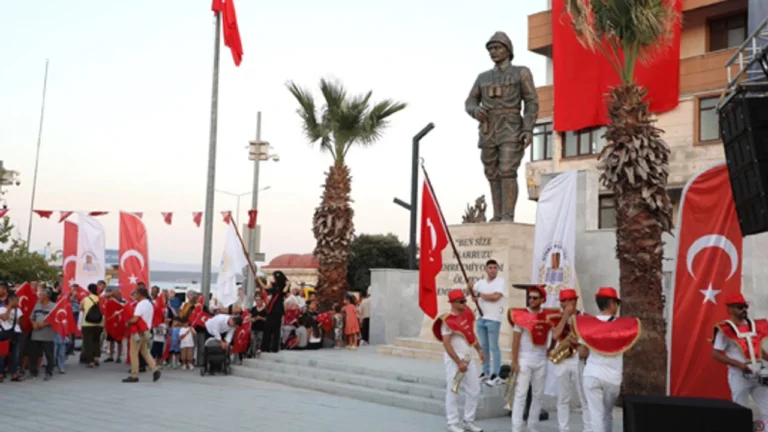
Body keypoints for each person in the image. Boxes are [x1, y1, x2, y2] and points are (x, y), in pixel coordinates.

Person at [464, 31, 538, 222]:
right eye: (490, 49)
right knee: (491, 172)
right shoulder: (483, 77)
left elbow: (531, 101)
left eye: (497, 48)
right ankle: (497, 215)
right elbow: (470, 101)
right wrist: (475, 110)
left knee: (507, 169)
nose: (493, 52)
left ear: (508, 50)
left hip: (511, 126)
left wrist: (528, 129)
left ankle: (507, 216)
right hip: (488, 128)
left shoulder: (521, 72)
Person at [574, 287, 640, 432]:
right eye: (617, 303)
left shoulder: (587, 325)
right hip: (612, 377)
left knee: (596, 415)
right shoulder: (623, 327)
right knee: (607, 414)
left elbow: (582, 353)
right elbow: (628, 352)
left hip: (592, 374)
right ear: (612, 303)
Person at [712, 293, 768, 428]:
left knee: (767, 408)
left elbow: (757, 349)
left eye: (745, 306)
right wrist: (740, 365)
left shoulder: (753, 326)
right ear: (730, 309)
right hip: (739, 375)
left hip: (758, 374)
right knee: (740, 409)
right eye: (739, 307)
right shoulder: (725, 329)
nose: (744, 310)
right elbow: (716, 354)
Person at [433, 289, 484, 432]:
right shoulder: (447, 321)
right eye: (461, 301)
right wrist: (458, 362)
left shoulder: (465, 316)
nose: (464, 304)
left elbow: (471, 335)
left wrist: (479, 350)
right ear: (453, 303)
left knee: (474, 389)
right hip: (454, 360)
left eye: (465, 301)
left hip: (468, 358)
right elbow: (447, 344)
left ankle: (468, 420)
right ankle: (452, 422)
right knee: (453, 390)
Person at [508, 285, 557, 432]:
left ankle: (532, 426)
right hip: (524, 358)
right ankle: (516, 428)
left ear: (542, 299)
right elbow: (515, 341)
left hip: (541, 359)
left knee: (538, 395)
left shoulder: (548, 316)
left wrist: (551, 348)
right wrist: (514, 361)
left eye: (535, 298)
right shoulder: (520, 315)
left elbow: (555, 333)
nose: (531, 300)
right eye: (530, 297)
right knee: (520, 394)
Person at [548, 288, 591, 432]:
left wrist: (578, 342)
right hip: (564, 359)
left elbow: (589, 339)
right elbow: (555, 335)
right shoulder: (559, 317)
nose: (562, 304)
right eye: (561, 301)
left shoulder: (585, 317)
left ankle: (588, 429)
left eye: (564, 301)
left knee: (584, 397)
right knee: (563, 398)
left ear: (573, 301)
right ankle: (563, 429)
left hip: (578, 358)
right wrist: (565, 316)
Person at [469, 259, 505, 386]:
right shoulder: (481, 283)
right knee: (484, 347)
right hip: (481, 318)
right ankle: (485, 371)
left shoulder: (500, 282)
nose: (493, 270)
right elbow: (470, 292)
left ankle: (496, 373)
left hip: (493, 319)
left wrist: (479, 295)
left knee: (494, 347)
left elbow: (495, 297)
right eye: (490, 268)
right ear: (486, 270)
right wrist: (469, 286)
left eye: (495, 268)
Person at [123, 288, 161, 383]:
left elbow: (135, 319)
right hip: (145, 331)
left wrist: (128, 322)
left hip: (138, 332)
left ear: (140, 294)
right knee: (145, 352)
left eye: (135, 294)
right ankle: (155, 369)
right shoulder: (149, 304)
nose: (134, 296)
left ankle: (134, 375)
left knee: (133, 353)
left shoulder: (140, 305)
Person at [29, 286, 56, 381]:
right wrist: (33, 323)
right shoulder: (37, 305)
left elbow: (55, 319)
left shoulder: (53, 306)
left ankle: (49, 372)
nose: (39, 296)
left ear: (46, 296)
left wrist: (44, 324)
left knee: (49, 354)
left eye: (41, 294)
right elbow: (31, 317)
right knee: (34, 354)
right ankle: (33, 371)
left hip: (47, 335)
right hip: (36, 334)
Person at [260, 271, 290, 353]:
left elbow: (284, 292)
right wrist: (258, 280)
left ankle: (274, 347)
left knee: (276, 329)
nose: (273, 278)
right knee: (267, 327)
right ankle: (265, 347)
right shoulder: (273, 284)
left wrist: (287, 285)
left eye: (274, 277)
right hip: (271, 307)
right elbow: (265, 287)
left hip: (278, 307)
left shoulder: (284, 285)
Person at [0, 292, 23, 382]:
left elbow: (20, 322)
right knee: (2, 354)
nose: (17, 302)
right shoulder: (2, 309)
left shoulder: (18, 311)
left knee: (15, 354)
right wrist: (9, 307)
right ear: (10, 300)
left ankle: (14, 373)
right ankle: (1, 373)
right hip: (3, 333)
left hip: (16, 333)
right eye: (16, 300)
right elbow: (4, 318)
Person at [80, 283, 103, 368]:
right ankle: (96, 358)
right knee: (96, 341)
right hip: (99, 323)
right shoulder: (100, 299)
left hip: (87, 324)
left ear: (89, 290)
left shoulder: (85, 299)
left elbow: (81, 308)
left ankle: (90, 361)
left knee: (88, 342)